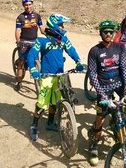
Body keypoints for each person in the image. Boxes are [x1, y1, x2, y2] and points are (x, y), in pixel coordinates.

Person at [86, 20, 126, 165]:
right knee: (100, 118)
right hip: (103, 88)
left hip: (119, 83)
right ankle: (94, 144)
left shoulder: (120, 47)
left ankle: (123, 124)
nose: (108, 34)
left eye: (111, 32)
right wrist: (102, 95)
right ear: (101, 33)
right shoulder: (94, 51)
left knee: (124, 110)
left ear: (115, 33)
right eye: (105, 32)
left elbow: (124, 69)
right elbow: (92, 74)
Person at [26, 13, 85, 141]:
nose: (63, 27)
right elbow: (31, 55)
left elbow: (71, 50)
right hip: (47, 76)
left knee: (55, 101)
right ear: (54, 26)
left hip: (60, 75)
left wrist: (78, 62)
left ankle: (50, 122)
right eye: (61, 25)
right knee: (42, 103)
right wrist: (33, 69)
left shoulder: (63, 39)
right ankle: (34, 125)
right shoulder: (41, 41)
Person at [14, 0, 45, 91]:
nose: (28, 6)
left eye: (30, 4)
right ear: (23, 5)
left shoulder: (37, 16)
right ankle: (19, 81)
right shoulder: (20, 17)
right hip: (24, 42)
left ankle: (37, 81)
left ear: (32, 4)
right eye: (26, 5)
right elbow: (17, 30)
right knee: (21, 64)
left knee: (37, 62)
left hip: (35, 42)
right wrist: (19, 42)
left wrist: (49, 35)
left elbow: (42, 29)